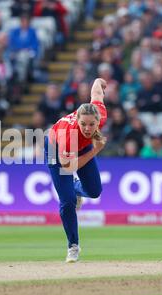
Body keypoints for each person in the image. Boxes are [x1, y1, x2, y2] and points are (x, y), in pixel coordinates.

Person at [44, 78, 108, 263]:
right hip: (55, 150)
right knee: (67, 201)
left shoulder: (100, 114)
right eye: (84, 124)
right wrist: (95, 150)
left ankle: (75, 186)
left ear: (98, 121)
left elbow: (96, 93)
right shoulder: (67, 133)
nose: (88, 129)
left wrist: (99, 81)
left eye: (92, 124)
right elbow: (68, 166)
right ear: (77, 121)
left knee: (95, 191)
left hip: (81, 147)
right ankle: (73, 246)